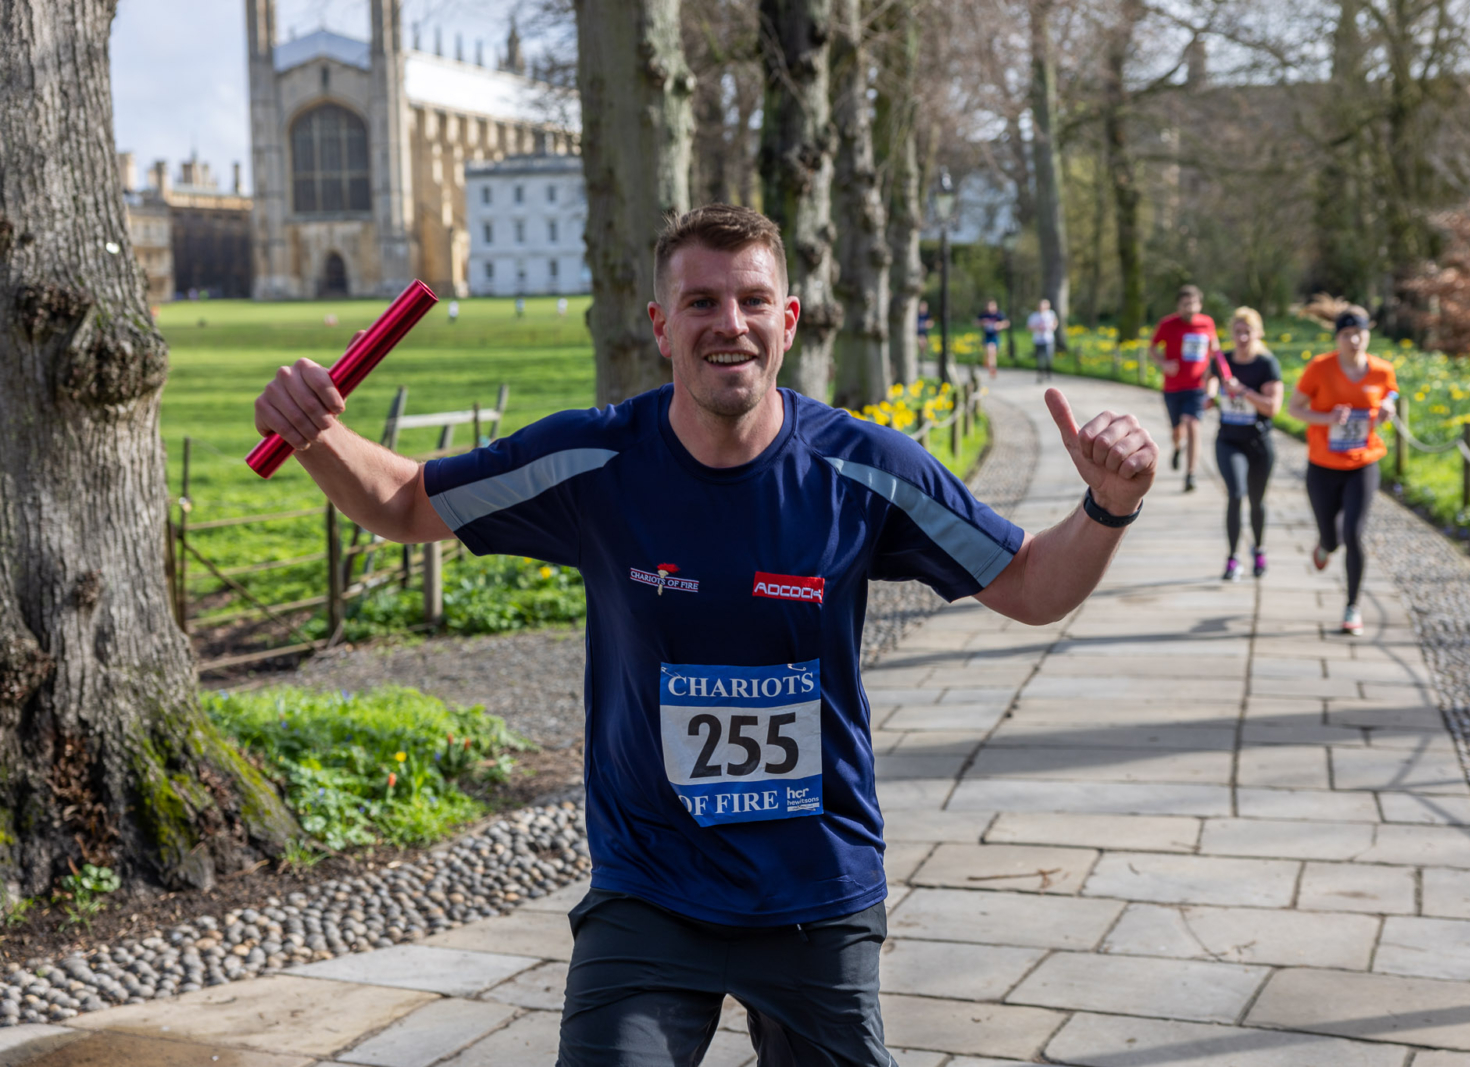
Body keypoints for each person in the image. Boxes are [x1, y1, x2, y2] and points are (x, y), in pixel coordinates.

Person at [251, 203, 1158, 1066]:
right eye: (702, 302)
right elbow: (410, 502)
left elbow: (1034, 583)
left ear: (789, 320)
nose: (731, 322)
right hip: (651, 886)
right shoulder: (595, 460)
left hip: (812, 887)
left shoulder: (862, 467)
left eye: (753, 300)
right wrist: (318, 433)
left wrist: (1109, 505)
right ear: (660, 324)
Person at [1288, 306, 1397, 636]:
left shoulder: (1381, 369)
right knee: (1332, 539)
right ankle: (1324, 545)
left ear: (1367, 335)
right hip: (1322, 465)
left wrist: (1389, 406)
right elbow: (1294, 408)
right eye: (1347, 334)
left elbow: (1390, 390)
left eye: (1359, 333)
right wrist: (1329, 419)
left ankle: (1352, 607)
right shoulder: (1320, 368)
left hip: (1363, 463)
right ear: (1337, 338)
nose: (1354, 339)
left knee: (1353, 533)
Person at [1205, 307, 1282, 581]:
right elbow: (1212, 381)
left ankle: (1259, 549)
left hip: (1258, 442)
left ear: (1258, 333)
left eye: (1247, 331)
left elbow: (1273, 407)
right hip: (1228, 441)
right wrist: (1210, 396)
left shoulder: (1266, 364)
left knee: (1257, 500)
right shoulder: (1222, 359)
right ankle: (1232, 558)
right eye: (1237, 331)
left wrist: (1245, 392)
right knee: (1236, 495)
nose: (1242, 336)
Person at [1150, 284, 1223, 492]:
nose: (1190, 308)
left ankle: (1191, 474)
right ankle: (1176, 448)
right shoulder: (1167, 324)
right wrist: (1164, 364)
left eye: (1193, 303)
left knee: (1193, 425)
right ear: (1178, 306)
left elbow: (1215, 350)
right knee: (1177, 430)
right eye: (1185, 304)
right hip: (1173, 387)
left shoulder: (1207, 323)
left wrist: (1215, 378)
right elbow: (1152, 348)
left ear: (1199, 304)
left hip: (1196, 386)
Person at [1027, 299, 1059, 383]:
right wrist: (1037, 327)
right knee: (1040, 358)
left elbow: (1055, 322)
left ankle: (1048, 373)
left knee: (1048, 357)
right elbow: (1029, 327)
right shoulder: (1034, 316)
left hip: (1048, 339)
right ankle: (1040, 375)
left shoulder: (1050, 314)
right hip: (1038, 340)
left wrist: (1053, 327)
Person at [976, 300, 1009, 379]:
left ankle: (991, 366)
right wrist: (982, 322)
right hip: (987, 336)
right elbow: (975, 322)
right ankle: (992, 368)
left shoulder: (999, 314)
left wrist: (1000, 325)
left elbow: (1007, 323)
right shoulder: (984, 314)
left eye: (992, 306)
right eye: (989, 306)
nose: (990, 308)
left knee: (992, 353)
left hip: (995, 336)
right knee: (990, 351)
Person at [915, 300, 933, 364]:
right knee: (920, 342)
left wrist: (925, 325)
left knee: (923, 342)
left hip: (924, 333)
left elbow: (930, 323)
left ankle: (922, 355)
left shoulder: (927, 315)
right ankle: (921, 355)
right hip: (917, 333)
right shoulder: (916, 315)